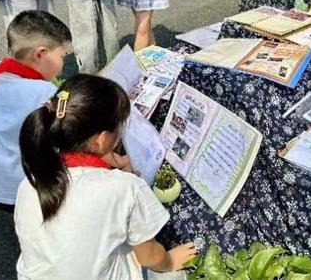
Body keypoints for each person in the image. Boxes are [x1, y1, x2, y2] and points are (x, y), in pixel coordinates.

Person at [15, 74, 197, 279]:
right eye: (119, 128)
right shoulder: (124, 187)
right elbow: (150, 256)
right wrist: (171, 261)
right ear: (101, 139)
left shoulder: (30, 182)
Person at [0, 11, 71, 211]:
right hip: (20, 188)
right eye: (62, 56)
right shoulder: (44, 93)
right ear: (40, 54)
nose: (63, 64)